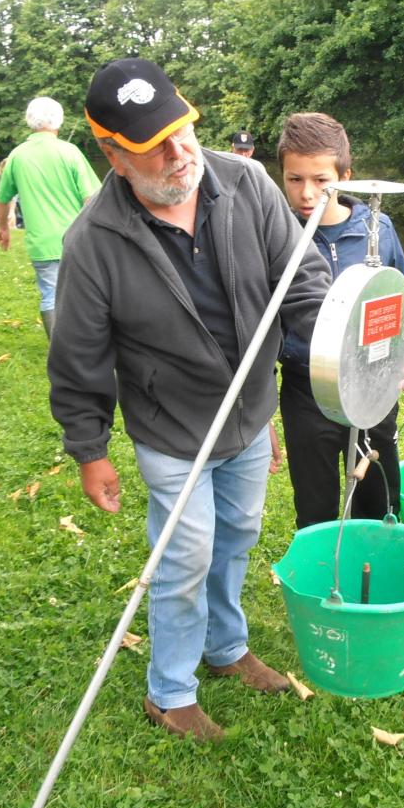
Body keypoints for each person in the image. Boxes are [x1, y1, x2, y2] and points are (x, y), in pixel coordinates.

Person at [48, 58, 333, 742]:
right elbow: (79, 355)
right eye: (156, 146)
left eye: (183, 130)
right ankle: (169, 691)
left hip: (249, 413)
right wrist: (89, 449)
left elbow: (303, 279)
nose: (182, 154)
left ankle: (226, 647)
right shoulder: (92, 242)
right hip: (171, 427)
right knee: (183, 556)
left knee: (235, 537)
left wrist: (341, 345)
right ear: (113, 155)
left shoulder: (245, 183)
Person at [275, 111, 404, 527]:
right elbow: (265, 325)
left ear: (345, 175)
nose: (307, 193)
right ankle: (322, 577)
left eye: (321, 180)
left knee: (377, 495)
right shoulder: (280, 235)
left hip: (375, 384)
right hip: (307, 393)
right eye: (294, 179)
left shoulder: (380, 229)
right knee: (315, 504)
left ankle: (376, 574)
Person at [0, 97, 100, 339]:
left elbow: (2, 198)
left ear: (29, 121)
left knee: (50, 294)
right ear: (59, 121)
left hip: (41, 243)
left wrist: (4, 229)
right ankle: (88, 340)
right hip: (76, 241)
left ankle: (58, 347)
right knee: (86, 291)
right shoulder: (70, 152)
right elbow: (91, 199)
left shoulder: (17, 156)